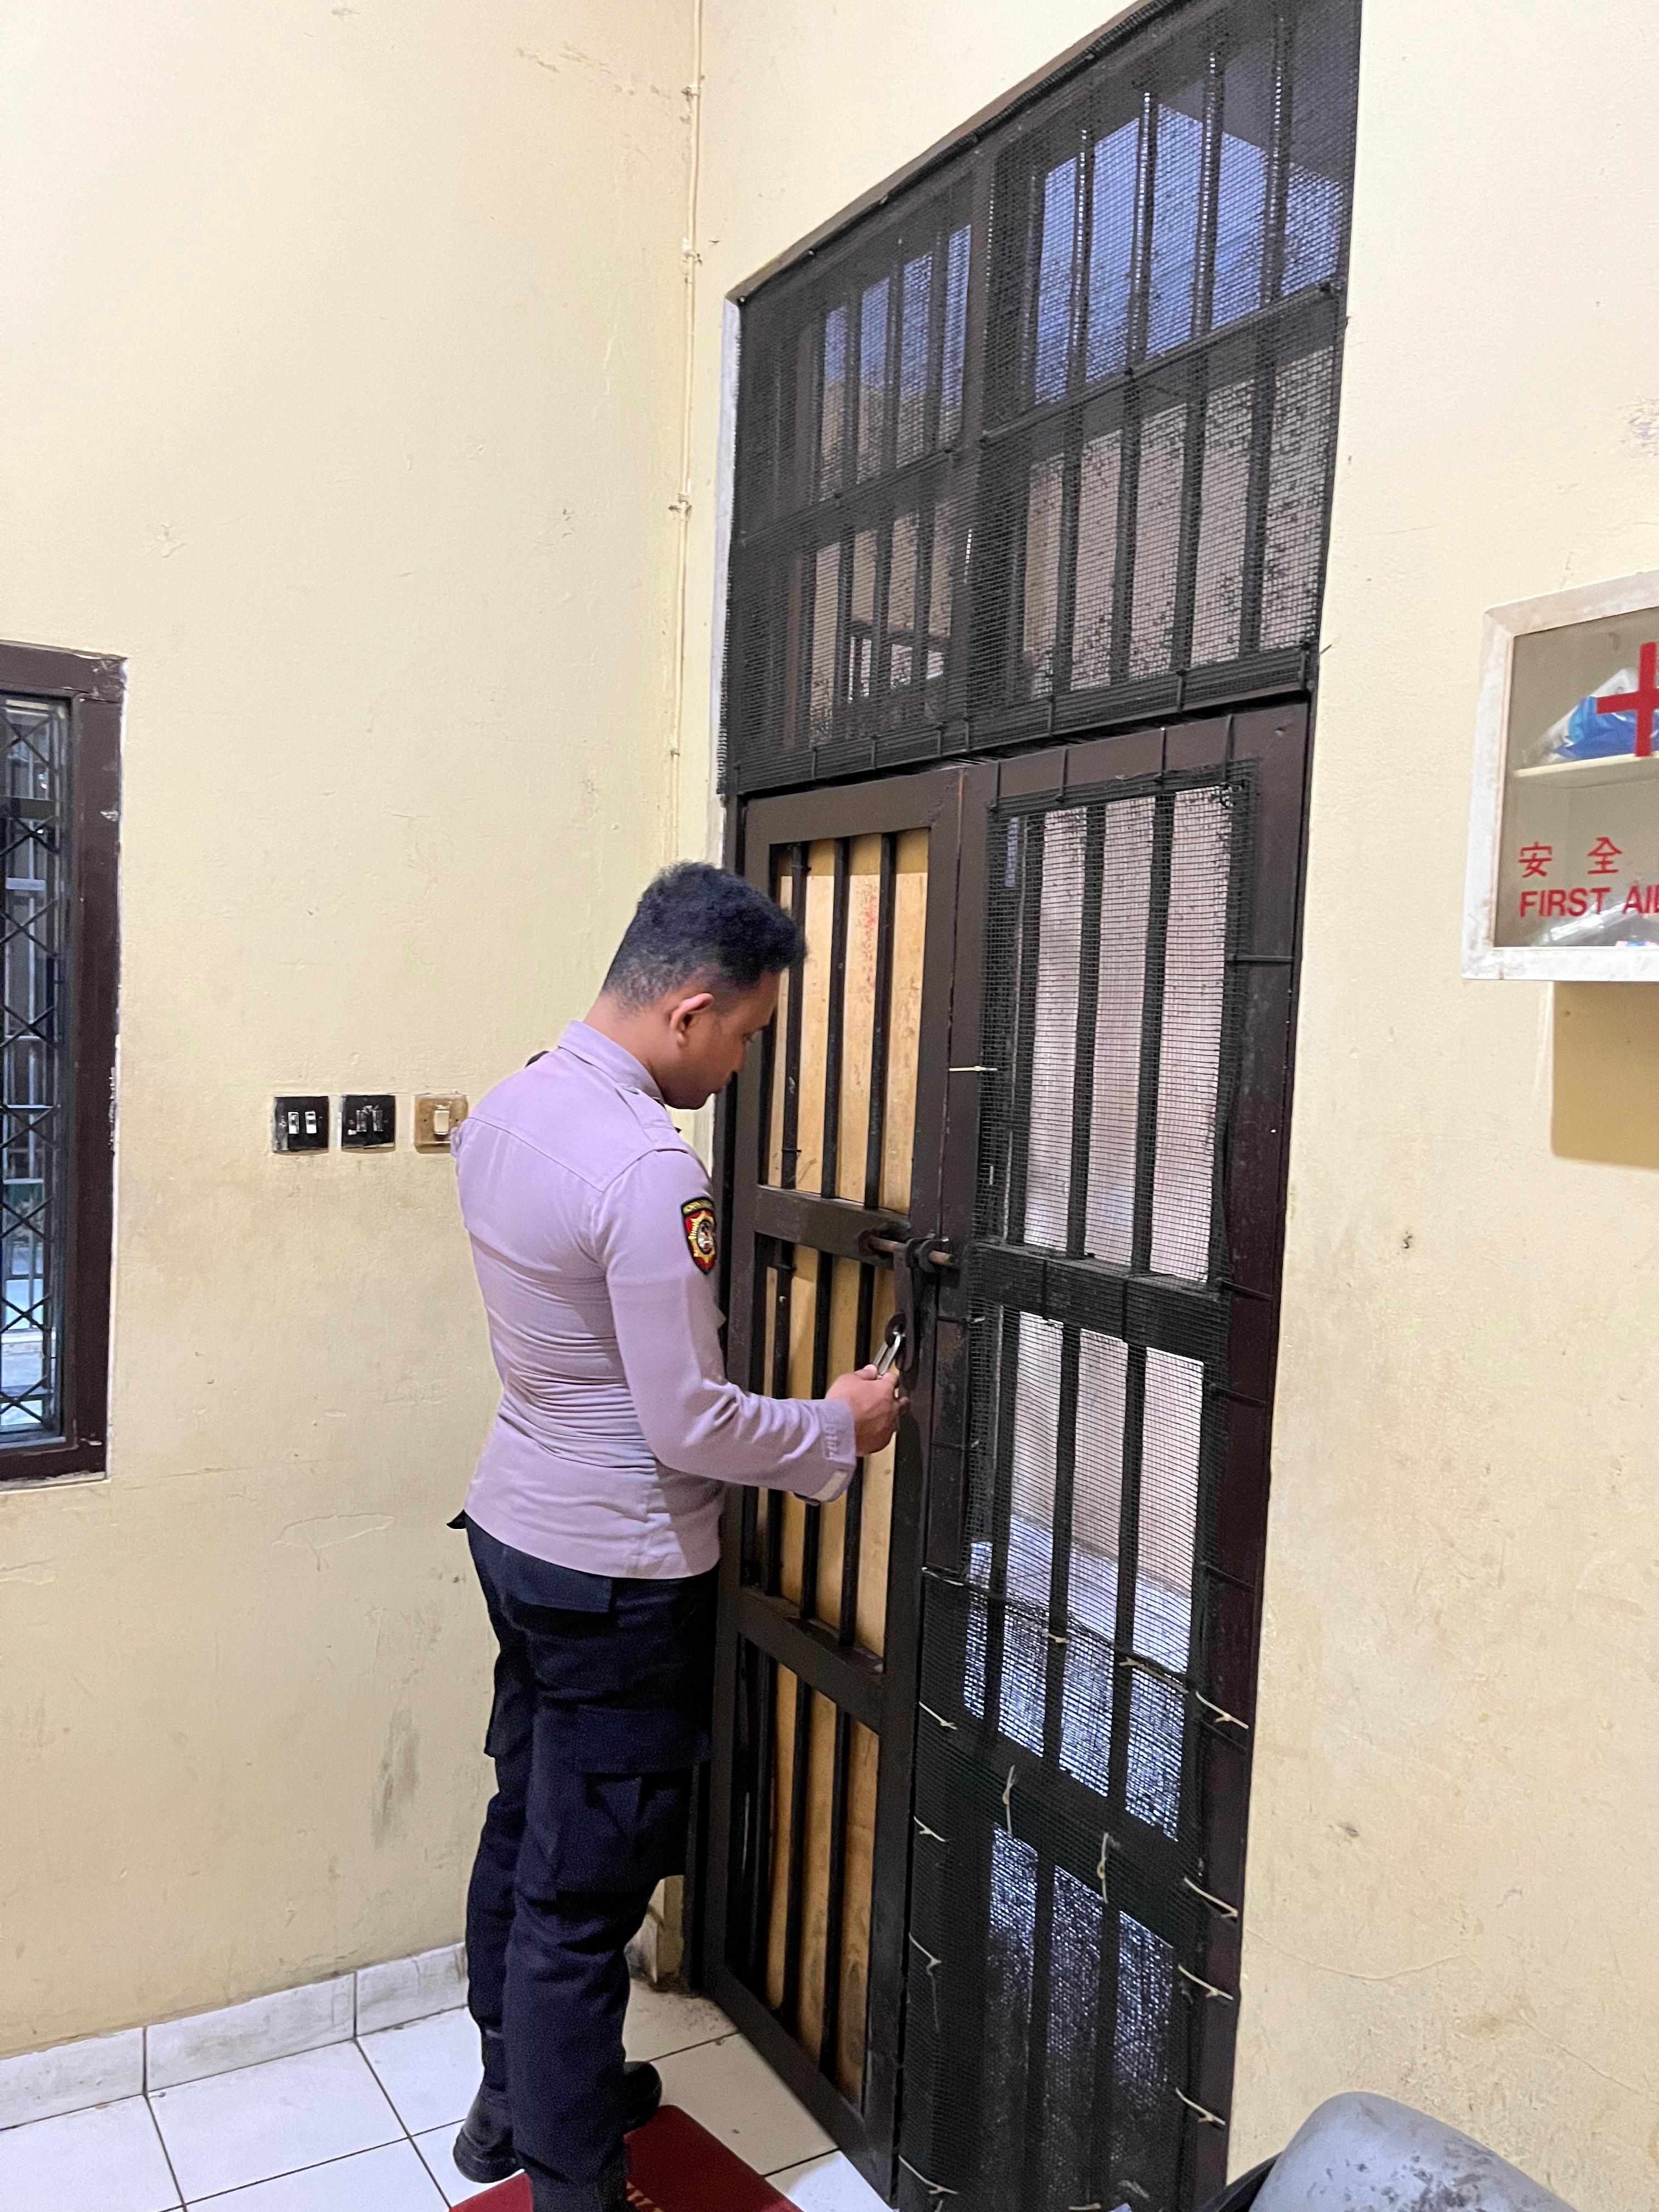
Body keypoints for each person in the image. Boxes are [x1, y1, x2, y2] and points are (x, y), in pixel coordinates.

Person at [447, 862, 905, 2212]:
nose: (743, 1062)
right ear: (690, 1009)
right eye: (748, 1034)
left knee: (526, 1821)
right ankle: (575, 2186)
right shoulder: (650, 1168)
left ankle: (515, 2100)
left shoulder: (512, 1105)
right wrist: (838, 1425)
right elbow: (688, 1424)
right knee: (581, 1902)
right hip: (618, 1574)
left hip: (517, 1532)